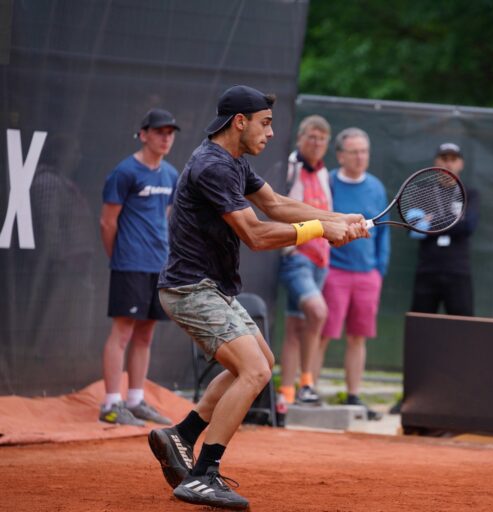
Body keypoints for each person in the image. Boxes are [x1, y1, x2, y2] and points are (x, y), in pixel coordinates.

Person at [148, 85, 368, 510]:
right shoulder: (212, 166)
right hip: (191, 289)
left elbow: (277, 204)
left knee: (261, 363)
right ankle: (203, 476)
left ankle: (183, 435)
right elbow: (255, 234)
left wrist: (338, 217)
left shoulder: (233, 162)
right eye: (265, 123)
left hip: (210, 288)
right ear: (240, 122)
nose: (271, 132)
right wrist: (322, 230)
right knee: (253, 371)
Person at [99, 108, 180, 426]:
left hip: (159, 265)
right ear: (143, 134)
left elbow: (166, 218)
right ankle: (110, 404)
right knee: (122, 332)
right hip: (129, 264)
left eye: (170, 133)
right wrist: (118, 257)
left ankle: (134, 400)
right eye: (160, 131)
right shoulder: (124, 172)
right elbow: (108, 222)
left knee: (146, 334)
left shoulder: (171, 175)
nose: (166, 138)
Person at [313, 127, 390, 421]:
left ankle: (354, 396)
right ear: (340, 155)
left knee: (358, 337)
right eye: (354, 151)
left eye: (364, 151)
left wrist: (378, 271)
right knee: (323, 334)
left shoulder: (376, 187)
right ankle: (311, 391)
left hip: (367, 275)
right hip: (334, 272)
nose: (360, 157)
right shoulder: (328, 183)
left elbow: (383, 234)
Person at [277, 115, 333, 407]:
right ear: (300, 138)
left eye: (322, 138)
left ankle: (286, 394)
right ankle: (307, 383)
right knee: (318, 312)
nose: (316, 143)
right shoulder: (289, 167)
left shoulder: (325, 173)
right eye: (311, 137)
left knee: (295, 326)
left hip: (320, 259)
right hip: (295, 257)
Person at [410, 142, 480, 316]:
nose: (449, 163)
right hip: (427, 270)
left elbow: (468, 226)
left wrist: (430, 221)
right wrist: (453, 223)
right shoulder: (421, 191)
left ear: (461, 164)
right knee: (422, 327)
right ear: (436, 162)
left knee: (462, 329)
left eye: (453, 159)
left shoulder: (470, 194)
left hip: (458, 271)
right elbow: (414, 229)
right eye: (444, 158)